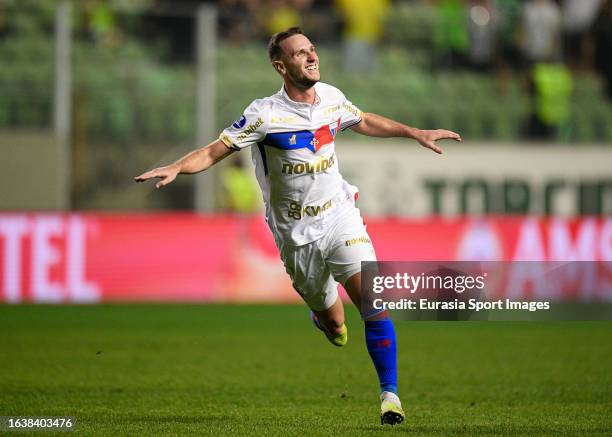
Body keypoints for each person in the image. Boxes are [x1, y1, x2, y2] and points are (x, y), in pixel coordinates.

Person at [134, 27, 461, 425]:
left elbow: (363, 120)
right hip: (295, 236)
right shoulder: (263, 115)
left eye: (312, 49)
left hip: (339, 216)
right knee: (337, 326)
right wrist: (177, 167)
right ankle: (323, 318)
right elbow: (213, 151)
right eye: (299, 53)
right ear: (281, 66)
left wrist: (414, 133)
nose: (311, 57)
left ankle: (389, 395)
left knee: (374, 305)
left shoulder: (332, 99)